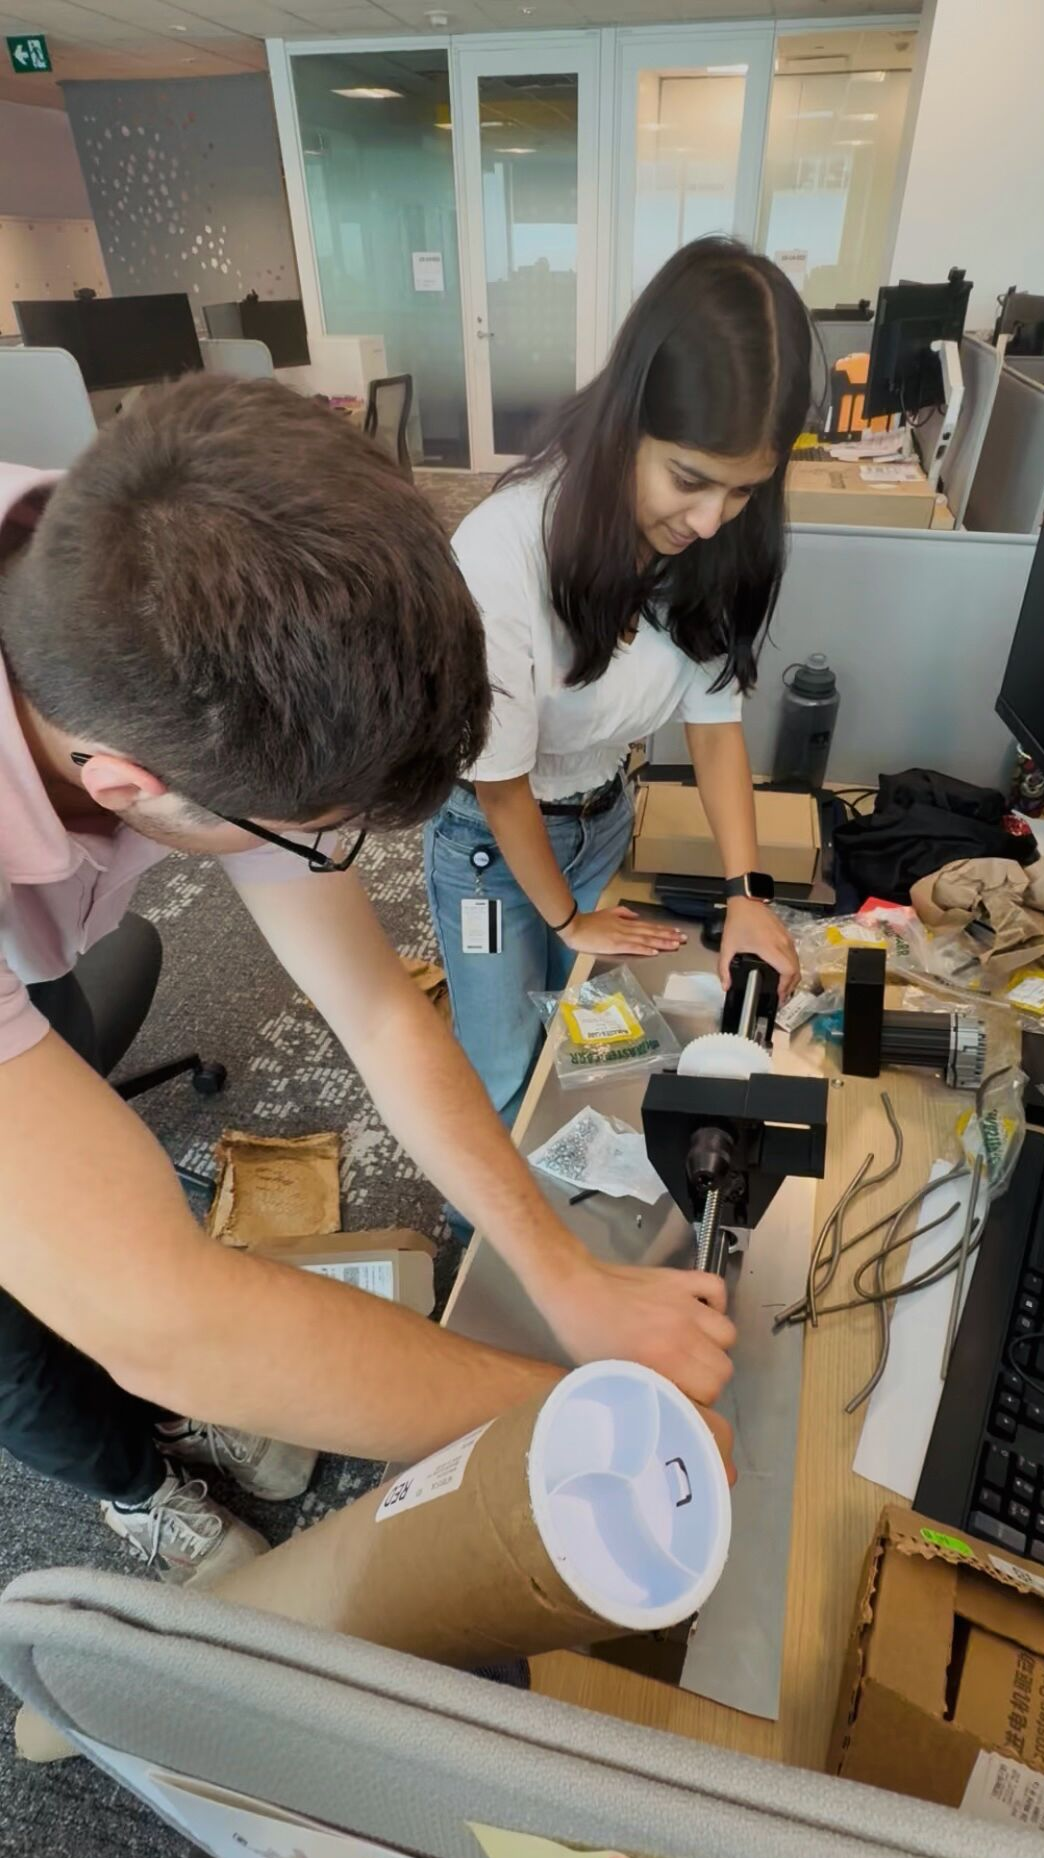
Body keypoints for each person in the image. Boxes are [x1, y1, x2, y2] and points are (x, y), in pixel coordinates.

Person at [0, 376, 735, 1585]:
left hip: (42, 921)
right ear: (129, 783)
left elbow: (380, 1010)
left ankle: (197, 1411)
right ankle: (133, 1485)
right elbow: (164, 1315)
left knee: (86, 1171)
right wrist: (582, 1420)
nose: (334, 862)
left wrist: (568, 1279)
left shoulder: (138, 600)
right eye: (321, 835)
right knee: (43, 1311)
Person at [425, 239, 810, 1141]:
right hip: (490, 846)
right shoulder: (502, 551)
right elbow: (500, 782)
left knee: (592, 1057)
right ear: (628, 419)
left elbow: (714, 726)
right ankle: (474, 1221)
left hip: (603, 821)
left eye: (743, 491)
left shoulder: (712, 544)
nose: (710, 520)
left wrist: (747, 893)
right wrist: (566, 916)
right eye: (690, 479)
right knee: (502, 1068)